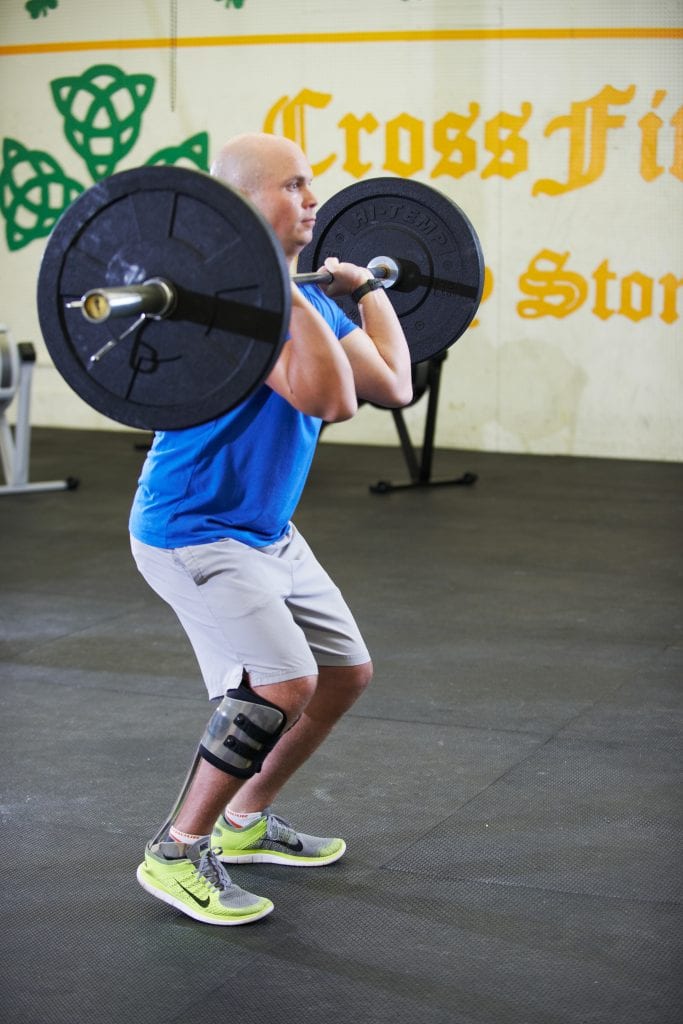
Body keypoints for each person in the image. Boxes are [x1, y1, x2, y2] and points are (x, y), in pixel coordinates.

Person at [129, 132, 413, 926]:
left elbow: (392, 383)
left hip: (265, 528)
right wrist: (281, 288)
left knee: (343, 673)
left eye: (311, 184)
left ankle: (244, 820)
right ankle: (177, 850)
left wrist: (363, 292)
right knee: (279, 688)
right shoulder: (224, 308)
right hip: (191, 527)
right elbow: (333, 401)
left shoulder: (306, 297)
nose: (314, 200)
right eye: (293, 186)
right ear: (241, 207)